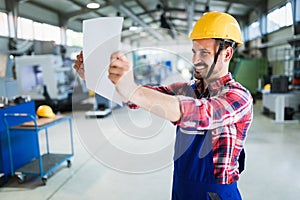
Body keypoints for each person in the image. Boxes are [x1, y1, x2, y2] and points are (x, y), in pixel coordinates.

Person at [74, 11, 253, 200]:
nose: (194, 60)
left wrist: (132, 89)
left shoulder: (238, 97)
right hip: (181, 188)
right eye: (194, 52)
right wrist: (98, 78)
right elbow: (140, 98)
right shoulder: (186, 89)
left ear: (227, 54)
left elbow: (199, 113)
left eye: (204, 53)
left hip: (215, 194)